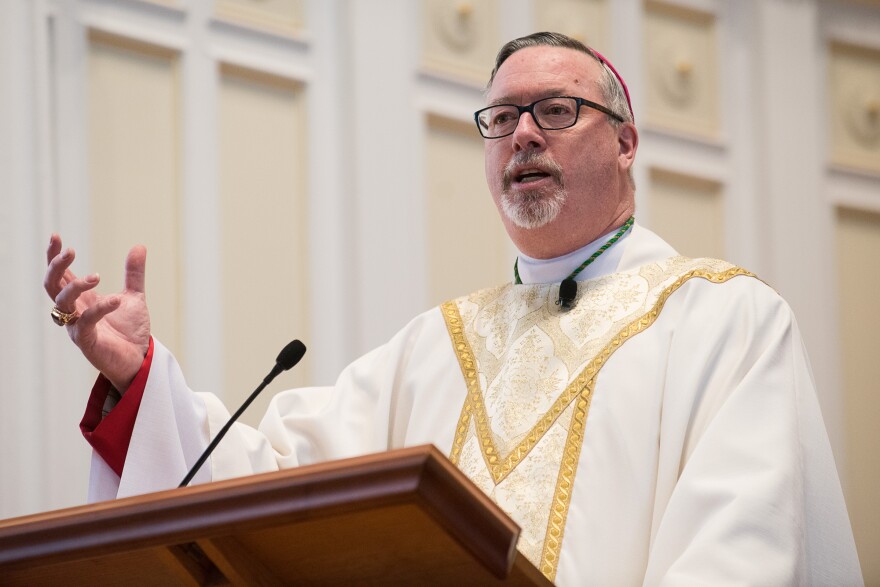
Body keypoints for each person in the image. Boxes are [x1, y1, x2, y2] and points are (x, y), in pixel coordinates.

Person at [44, 32, 862, 585]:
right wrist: (140, 381)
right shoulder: (436, 346)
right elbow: (272, 488)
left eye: (556, 110)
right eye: (501, 119)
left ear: (626, 141)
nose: (522, 137)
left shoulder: (725, 320)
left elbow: (743, 552)